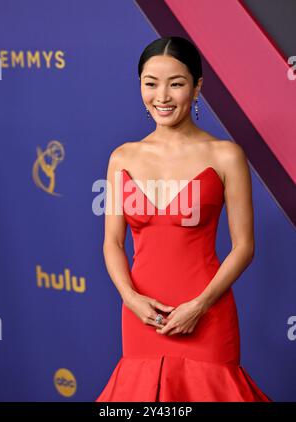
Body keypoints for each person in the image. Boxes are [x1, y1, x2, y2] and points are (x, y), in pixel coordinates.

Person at [95, 36, 272, 402]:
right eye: (150, 83)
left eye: (176, 83)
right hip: (142, 314)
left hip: (207, 312)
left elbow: (244, 247)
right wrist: (130, 298)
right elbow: (112, 242)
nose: (162, 96)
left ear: (197, 87)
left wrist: (200, 305)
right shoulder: (122, 158)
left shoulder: (226, 156)